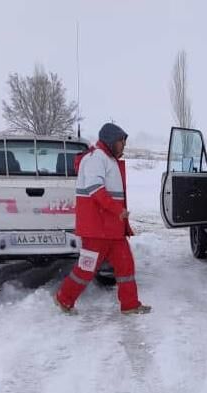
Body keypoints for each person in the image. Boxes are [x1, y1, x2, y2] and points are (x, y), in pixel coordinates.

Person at [54, 123, 151, 315]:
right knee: (86, 269)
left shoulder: (108, 159)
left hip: (112, 229)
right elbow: (94, 189)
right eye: (121, 141)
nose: (123, 145)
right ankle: (63, 299)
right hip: (97, 229)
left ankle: (130, 305)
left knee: (125, 265)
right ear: (111, 140)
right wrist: (117, 210)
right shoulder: (95, 158)